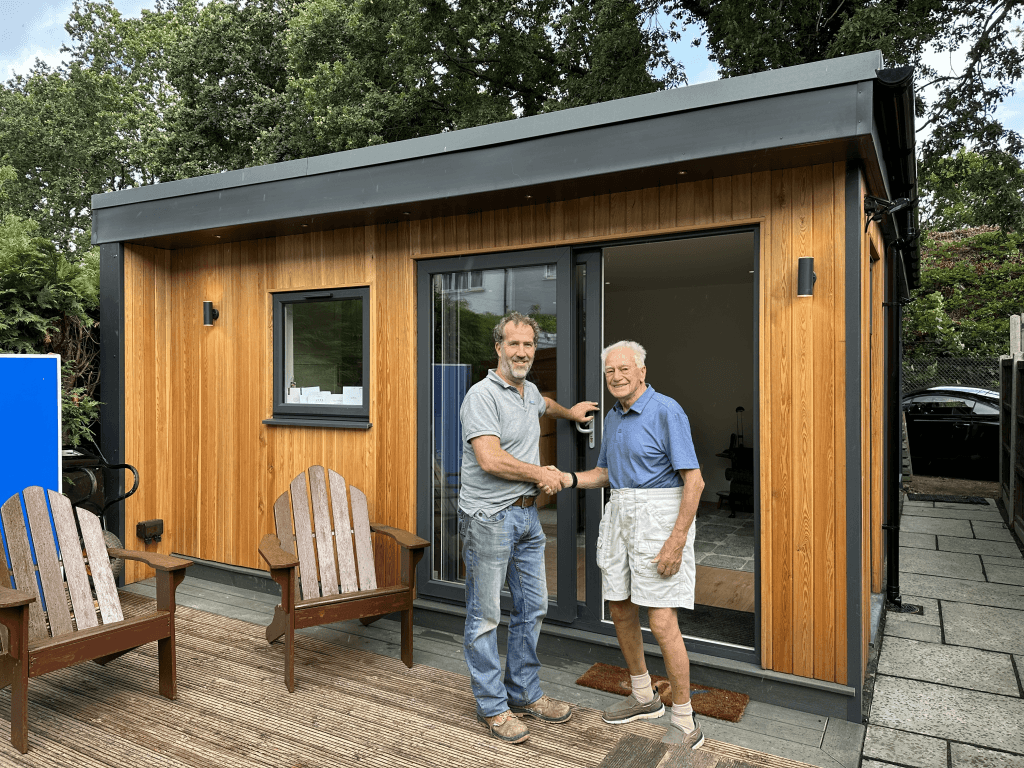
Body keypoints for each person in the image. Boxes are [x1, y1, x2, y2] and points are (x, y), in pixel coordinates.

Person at [549, 340, 705, 749]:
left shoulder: (666, 410)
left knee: (661, 620)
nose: (616, 377)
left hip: (658, 519)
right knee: (619, 607)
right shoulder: (614, 417)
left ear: (641, 371)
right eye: (609, 372)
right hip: (619, 514)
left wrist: (676, 541)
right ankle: (643, 697)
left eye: (623, 369)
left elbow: (695, 481)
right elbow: (605, 473)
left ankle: (687, 722)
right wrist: (568, 478)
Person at [459, 311, 599, 744]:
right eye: (514, 344)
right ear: (498, 347)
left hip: (526, 516)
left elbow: (544, 404)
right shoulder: (481, 396)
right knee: (486, 617)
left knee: (533, 607)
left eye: (529, 345)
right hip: (490, 518)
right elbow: (490, 459)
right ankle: (493, 706)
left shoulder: (529, 390)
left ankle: (523, 693)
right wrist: (541, 474)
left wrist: (570, 412)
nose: (522, 351)